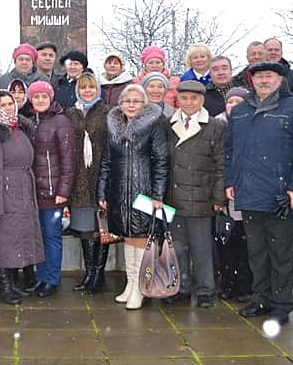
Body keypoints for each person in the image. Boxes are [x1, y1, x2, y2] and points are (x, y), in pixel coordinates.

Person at [225, 61, 293, 325]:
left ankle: (282, 303)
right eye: (259, 76)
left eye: (269, 76)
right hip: (249, 191)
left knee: (281, 252)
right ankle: (261, 297)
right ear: (251, 81)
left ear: (280, 80)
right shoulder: (241, 111)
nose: (264, 80)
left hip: (280, 193)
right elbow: (231, 150)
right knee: (257, 251)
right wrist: (231, 181)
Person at [97, 84, 169, 310]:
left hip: (144, 191)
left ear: (144, 104)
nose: (131, 104)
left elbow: (161, 161)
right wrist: (102, 191)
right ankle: (130, 284)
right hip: (120, 192)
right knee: (127, 238)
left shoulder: (154, 125)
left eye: (136, 101)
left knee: (141, 239)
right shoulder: (114, 127)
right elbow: (107, 161)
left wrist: (158, 195)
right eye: (127, 100)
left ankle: (141, 287)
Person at [163, 81, 226, 308]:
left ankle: (206, 290)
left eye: (194, 98)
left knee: (202, 248)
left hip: (202, 196)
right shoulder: (168, 125)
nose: (189, 103)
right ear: (177, 100)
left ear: (202, 101)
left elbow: (221, 165)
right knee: (177, 248)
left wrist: (219, 197)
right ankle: (181, 286)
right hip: (174, 197)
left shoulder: (215, 127)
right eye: (184, 98)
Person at [0, 91, 44, 304]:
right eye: (3, 104)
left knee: (20, 236)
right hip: (6, 190)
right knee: (5, 239)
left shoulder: (18, 128)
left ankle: (14, 284)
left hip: (24, 187)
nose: (8, 107)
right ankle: (4, 287)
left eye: (11, 103)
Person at [26, 81, 75, 297]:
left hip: (53, 192)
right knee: (38, 237)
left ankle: (51, 279)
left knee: (52, 236)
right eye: (36, 97)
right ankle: (41, 276)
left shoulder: (60, 121)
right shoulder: (29, 121)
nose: (40, 100)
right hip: (33, 191)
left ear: (51, 98)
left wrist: (63, 191)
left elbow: (68, 159)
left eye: (44, 96)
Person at [64, 73, 110, 293]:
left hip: (100, 177)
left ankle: (98, 275)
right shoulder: (71, 113)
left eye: (91, 87)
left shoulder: (107, 112)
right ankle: (89, 272)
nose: (87, 91)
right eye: (83, 88)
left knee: (101, 229)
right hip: (79, 181)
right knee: (85, 230)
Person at [214, 87, 253, 303]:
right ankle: (228, 283)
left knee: (244, 243)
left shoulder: (252, 125)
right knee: (225, 243)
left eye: (239, 102)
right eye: (230, 102)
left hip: (245, 193)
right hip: (223, 194)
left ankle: (245, 284)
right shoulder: (217, 125)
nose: (234, 106)